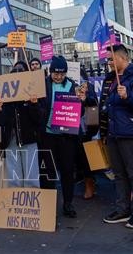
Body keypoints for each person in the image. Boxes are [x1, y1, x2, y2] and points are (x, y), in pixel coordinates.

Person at [101, 44, 133, 230]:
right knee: (119, 174)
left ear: (122, 58)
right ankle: (122, 209)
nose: (108, 62)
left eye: (110, 59)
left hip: (131, 133)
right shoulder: (112, 79)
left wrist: (127, 96)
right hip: (115, 132)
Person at [36, 56, 82, 218]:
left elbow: (79, 112)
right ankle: (47, 205)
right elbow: (38, 110)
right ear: (50, 71)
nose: (58, 76)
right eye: (56, 73)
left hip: (66, 136)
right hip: (47, 135)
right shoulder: (42, 85)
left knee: (68, 171)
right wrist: (36, 103)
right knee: (48, 171)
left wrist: (81, 101)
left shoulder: (72, 86)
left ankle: (68, 203)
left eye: (62, 74)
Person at [0, 61, 41, 189]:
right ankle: (16, 204)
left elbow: (38, 119)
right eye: (15, 72)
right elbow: (0, 121)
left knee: (31, 176)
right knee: (14, 177)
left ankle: (31, 203)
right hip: (11, 140)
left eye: (21, 72)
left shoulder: (33, 93)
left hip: (29, 139)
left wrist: (33, 104)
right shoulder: (5, 96)